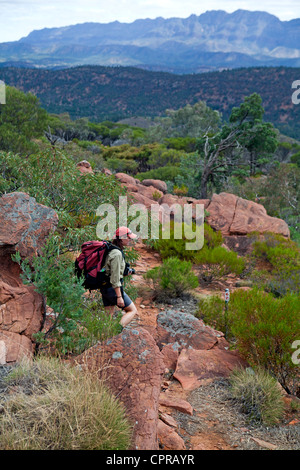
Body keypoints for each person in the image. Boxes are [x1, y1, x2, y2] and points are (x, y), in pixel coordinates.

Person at [100, 226, 138, 328]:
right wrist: (119, 297)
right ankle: (117, 330)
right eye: (129, 238)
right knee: (132, 310)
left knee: (108, 318)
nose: (130, 240)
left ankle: (105, 336)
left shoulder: (111, 249)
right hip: (112, 289)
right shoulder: (116, 253)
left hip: (105, 288)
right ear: (121, 238)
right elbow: (115, 278)